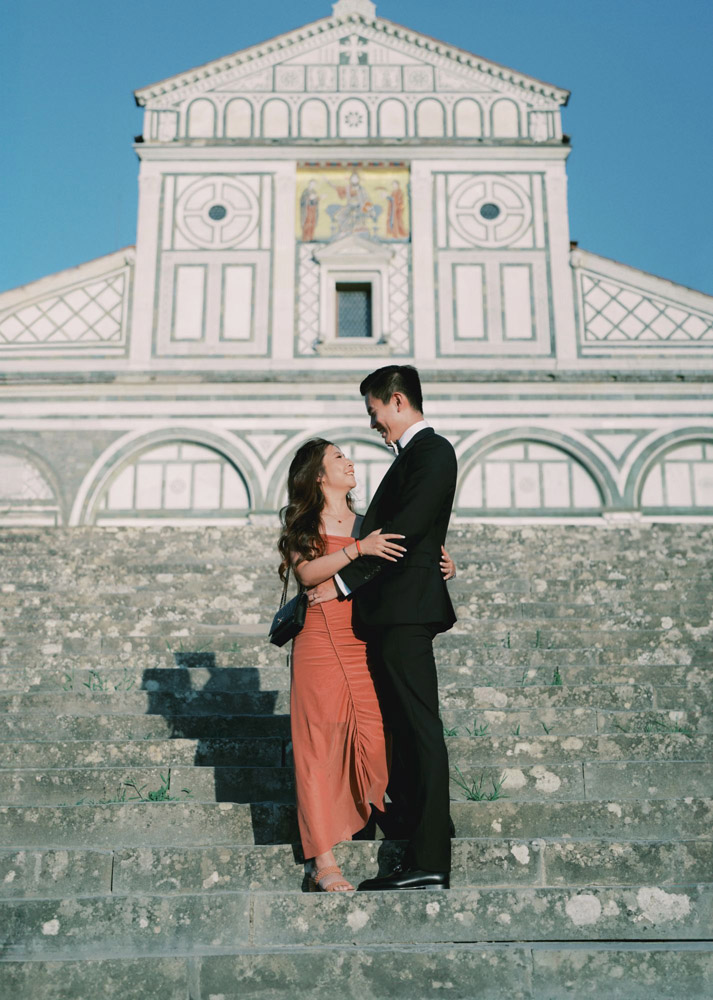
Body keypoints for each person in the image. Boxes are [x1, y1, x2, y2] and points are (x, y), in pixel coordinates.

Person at [278, 437, 455, 892]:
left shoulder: (368, 522)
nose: (350, 462)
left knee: (376, 735)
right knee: (318, 746)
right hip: (319, 637)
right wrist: (357, 550)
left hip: (361, 638)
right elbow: (306, 573)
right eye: (339, 457)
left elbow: (401, 554)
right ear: (318, 475)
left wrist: (442, 562)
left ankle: (369, 813)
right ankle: (323, 861)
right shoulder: (303, 522)